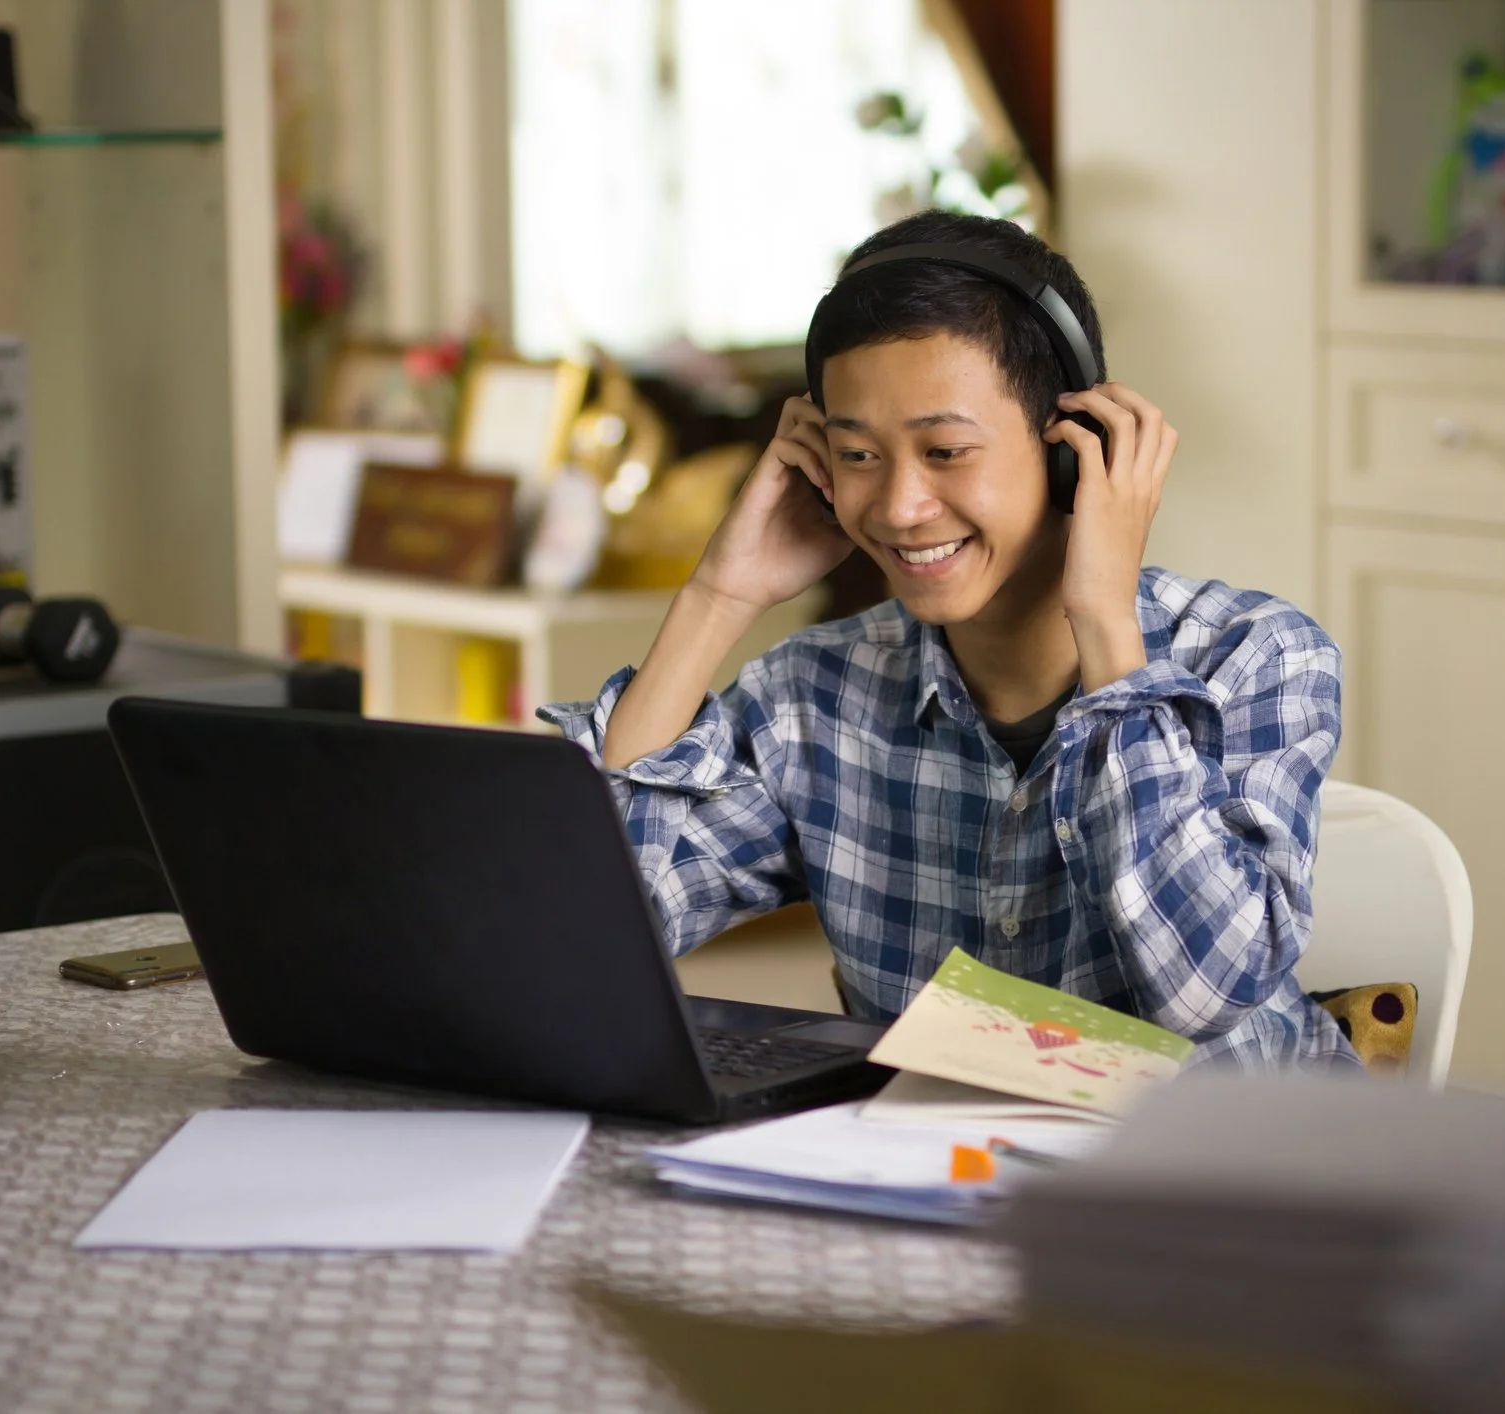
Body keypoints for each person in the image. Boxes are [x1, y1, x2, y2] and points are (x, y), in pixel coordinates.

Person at [541, 211, 1354, 1068]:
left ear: (1077, 451)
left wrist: (1106, 623)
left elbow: (1202, 993)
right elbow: (589, 936)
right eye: (857, 456)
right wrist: (718, 595)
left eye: (946, 450)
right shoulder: (813, 693)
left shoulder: (1256, 656)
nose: (897, 506)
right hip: (934, 1175)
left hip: (1212, 1176)